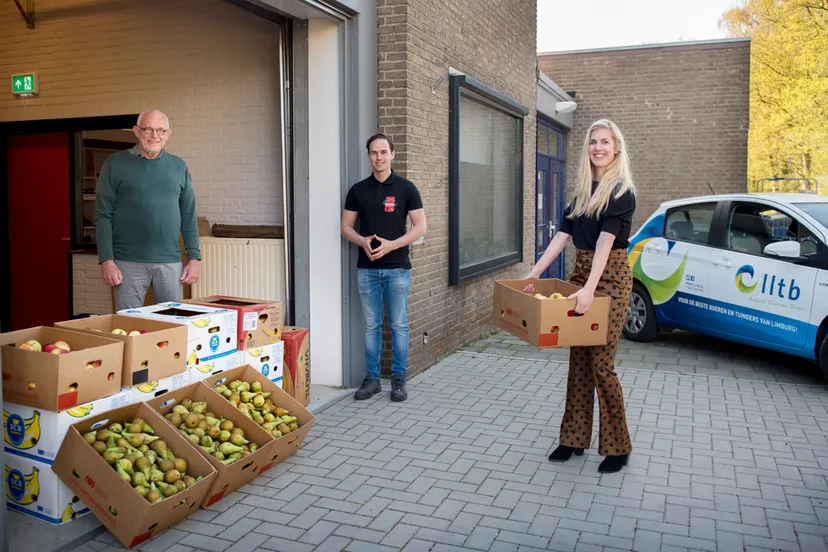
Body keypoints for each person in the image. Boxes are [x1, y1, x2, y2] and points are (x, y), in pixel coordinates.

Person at [524, 119, 636, 474]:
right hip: (582, 272)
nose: (598, 148)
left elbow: (605, 242)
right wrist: (535, 272)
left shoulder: (622, 192)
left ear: (616, 148)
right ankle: (573, 439)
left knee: (602, 365)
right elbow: (562, 236)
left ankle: (618, 446)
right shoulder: (582, 192)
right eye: (593, 142)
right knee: (579, 362)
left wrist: (590, 289)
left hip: (611, 278)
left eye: (605, 142)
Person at [341, 133, 426, 402]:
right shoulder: (357, 190)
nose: (378, 157)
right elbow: (346, 227)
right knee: (371, 326)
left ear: (392, 154)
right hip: (367, 269)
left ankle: (399, 379)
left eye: (383, 152)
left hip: (397, 268)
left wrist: (392, 245)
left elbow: (420, 227)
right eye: (373, 153)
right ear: (369, 156)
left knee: (398, 324)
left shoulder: (406, 188)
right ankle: (373, 379)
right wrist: (361, 240)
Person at [94, 109, 201, 311]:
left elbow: (188, 215)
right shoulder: (115, 164)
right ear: (136, 131)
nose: (154, 136)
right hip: (126, 262)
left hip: (170, 262)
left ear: (168, 134)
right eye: (148, 129)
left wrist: (194, 258)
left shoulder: (178, 166)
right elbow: (103, 216)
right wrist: (106, 260)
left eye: (161, 130)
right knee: (128, 322)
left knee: (173, 321)